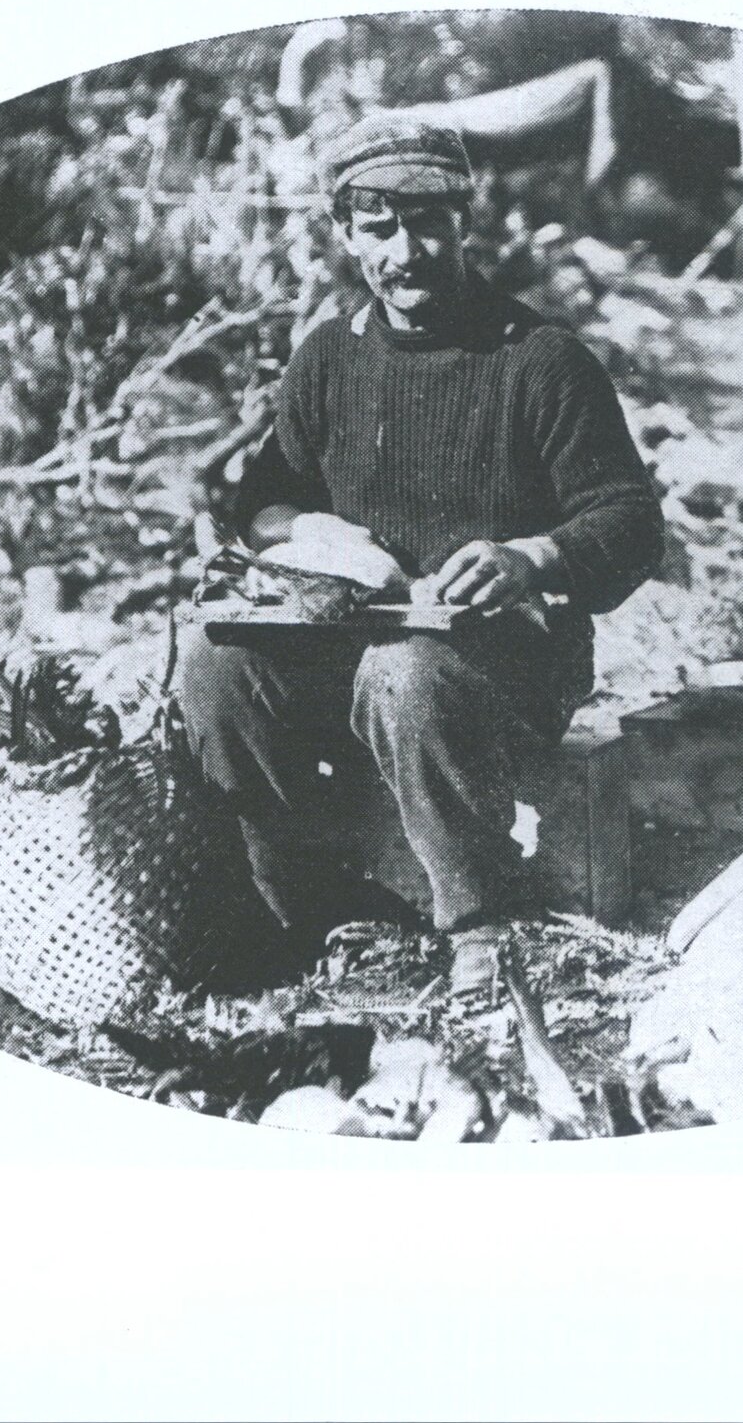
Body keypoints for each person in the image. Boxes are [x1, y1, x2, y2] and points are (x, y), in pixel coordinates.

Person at [178, 113, 666, 1000]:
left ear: (464, 222)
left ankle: (481, 922)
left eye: (428, 222)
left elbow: (631, 522)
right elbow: (260, 507)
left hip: (508, 662)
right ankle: (293, 896)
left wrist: (534, 556)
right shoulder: (328, 359)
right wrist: (306, 534)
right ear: (347, 234)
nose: (406, 251)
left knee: (404, 673)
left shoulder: (541, 362)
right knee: (215, 663)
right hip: (353, 649)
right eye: (379, 227)